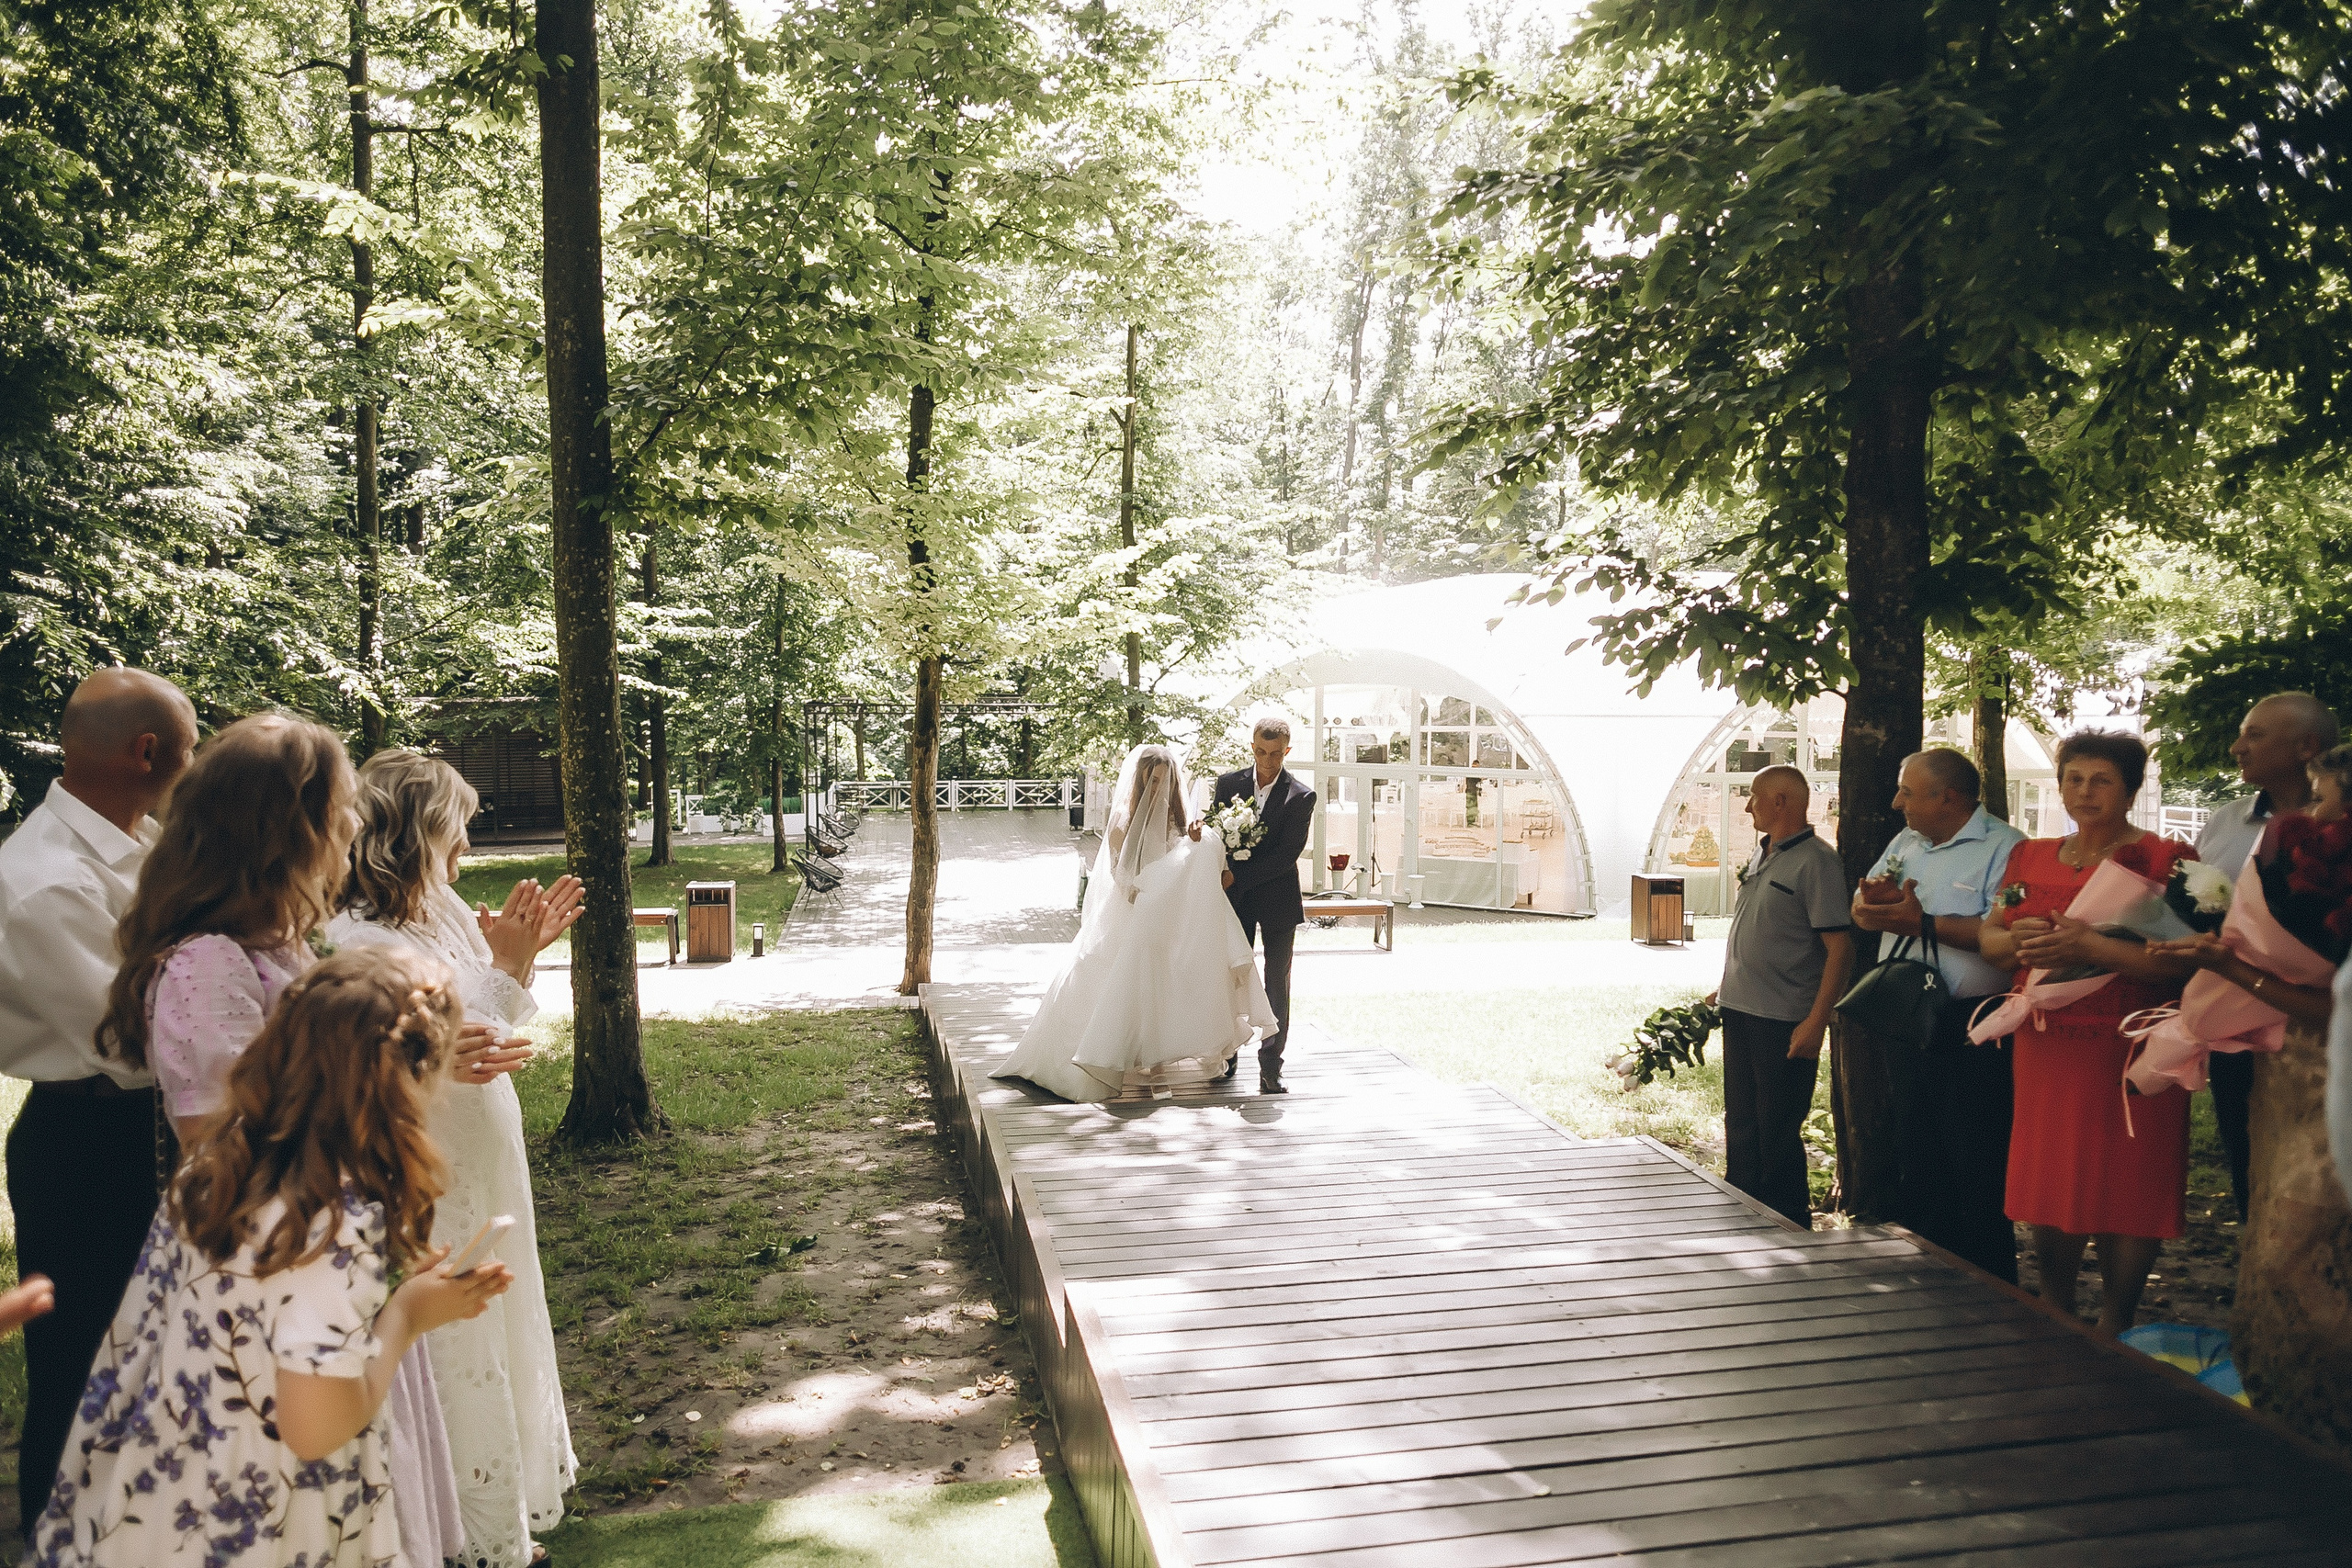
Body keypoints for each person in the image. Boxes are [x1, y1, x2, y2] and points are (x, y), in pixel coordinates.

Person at [93, 714, 479, 1563]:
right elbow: (222, 1144)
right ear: (285, 831)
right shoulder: (208, 963)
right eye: (339, 811)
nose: (351, 830)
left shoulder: (282, 946)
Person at [32, 947, 515, 1568]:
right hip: (269, 1516)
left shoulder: (221, 1166)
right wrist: (406, 1317)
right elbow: (314, 1424)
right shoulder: (332, 1220)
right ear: (397, 1086)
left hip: (164, 1489)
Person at [327, 750, 579, 1567]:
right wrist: (505, 968)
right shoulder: (353, 933)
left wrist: (520, 954)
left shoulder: (441, 911)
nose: (466, 847)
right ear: (414, 829)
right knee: (453, 1336)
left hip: (485, 1140)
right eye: (457, 831)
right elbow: (395, 1052)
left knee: (497, 1315)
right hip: (424, 1154)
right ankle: (467, 1532)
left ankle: (499, 1515)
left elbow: (483, 1024)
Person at [0, 667, 198, 1532]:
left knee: (167, 1352)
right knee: (85, 1360)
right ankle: (58, 1531)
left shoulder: (141, 846)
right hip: (91, 1141)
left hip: (156, 1124)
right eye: (190, 749)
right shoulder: (45, 880)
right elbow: (136, 1038)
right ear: (148, 751)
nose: (193, 767)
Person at [1979, 729, 2198, 1337]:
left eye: (2101, 780)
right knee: (2052, 1175)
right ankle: (2056, 1304)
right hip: (2047, 1045)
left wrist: (2091, 946)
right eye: (2074, 778)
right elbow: (1992, 935)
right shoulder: (2031, 858)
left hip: (2133, 1045)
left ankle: (2117, 1319)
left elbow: (2183, 960)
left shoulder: (2166, 859)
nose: (2084, 791)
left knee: (2132, 1179)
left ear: (2129, 788)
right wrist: (2017, 939)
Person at [991, 744, 1276, 1102]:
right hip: (1131, 915)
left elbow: (1193, 871)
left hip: (1166, 918)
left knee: (1165, 982)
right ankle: (1118, 1060)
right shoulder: (1123, 823)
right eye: (1151, 780)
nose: (1157, 787)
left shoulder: (1182, 824)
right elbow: (1122, 881)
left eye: (1164, 780)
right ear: (1140, 782)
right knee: (1128, 980)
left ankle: (1157, 1064)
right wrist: (1151, 894)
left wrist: (1201, 845)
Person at [1849, 749, 2029, 1281]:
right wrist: (1874, 904)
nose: (1895, 800)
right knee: (1915, 1147)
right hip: (1905, 1017)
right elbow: (1861, 908)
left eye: (1907, 790)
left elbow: (2006, 937)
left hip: (1974, 1024)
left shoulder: (2007, 846)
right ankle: (1926, 1274)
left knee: (1973, 1155)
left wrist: (1922, 923)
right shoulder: (1906, 842)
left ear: (1947, 796)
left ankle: (1988, 1283)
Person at [2192, 692, 2338, 1224]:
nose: (2237, 747)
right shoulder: (2225, 823)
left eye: (2255, 735)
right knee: (2246, 1157)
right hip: (2234, 1018)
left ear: (2308, 746)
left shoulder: (2341, 828)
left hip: (2319, 1032)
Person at [1707, 764, 1853, 1227]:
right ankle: (1741, 1216)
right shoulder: (1763, 853)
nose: (1747, 805)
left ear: (1781, 802)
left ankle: (1786, 1227)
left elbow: (1840, 948)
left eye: (1754, 796)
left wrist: (1816, 1021)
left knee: (1776, 1130)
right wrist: (1728, 986)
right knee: (1742, 1124)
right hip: (1742, 1007)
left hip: (1785, 1019)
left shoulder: (1818, 862)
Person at [1211, 718, 1317, 1094]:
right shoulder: (1229, 784)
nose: (1267, 760)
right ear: (1252, 747)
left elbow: (1286, 856)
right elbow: (1215, 837)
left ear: (1287, 751)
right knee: (1229, 978)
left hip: (1277, 901)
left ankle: (1271, 1066)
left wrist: (1237, 876)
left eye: (1275, 754)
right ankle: (1227, 1053)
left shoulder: (1301, 796)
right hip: (1234, 902)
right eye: (1260, 751)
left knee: (1276, 985)